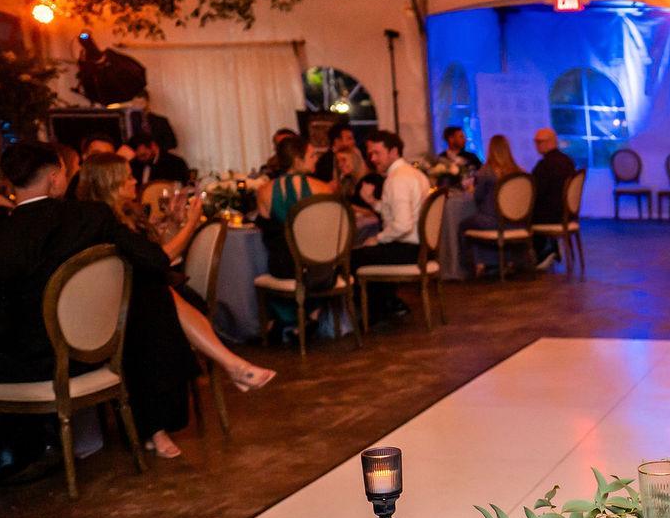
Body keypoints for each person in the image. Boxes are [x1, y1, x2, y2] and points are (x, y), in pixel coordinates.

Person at [0, 144, 189, 479]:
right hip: (97, 353)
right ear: (54, 178)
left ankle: (0, 459)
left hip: (35, 363)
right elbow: (154, 260)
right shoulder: (92, 216)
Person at [76, 155, 273, 443]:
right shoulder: (102, 220)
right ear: (111, 184)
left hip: (146, 298)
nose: (134, 181)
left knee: (162, 297)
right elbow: (160, 258)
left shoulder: (126, 213)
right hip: (118, 310)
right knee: (162, 299)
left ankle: (229, 371)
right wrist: (190, 224)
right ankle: (232, 367)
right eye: (127, 177)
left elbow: (151, 254)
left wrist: (172, 223)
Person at [352, 135, 431, 320]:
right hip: (422, 248)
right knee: (367, 252)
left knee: (352, 258)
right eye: (370, 154)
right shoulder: (414, 173)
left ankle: (372, 315)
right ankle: (389, 304)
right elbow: (398, 212)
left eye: (377, 153)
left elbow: (402, 225)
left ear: (394, 151)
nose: (373, 159)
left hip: (408, 250)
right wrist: (372, 202)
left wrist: (378, 238)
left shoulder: (397, 179)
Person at [255, 135, 333, 280]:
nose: (317, 159)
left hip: (282, 267)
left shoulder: (263, 191)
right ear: (297, 161)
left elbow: (267, 234)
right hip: (318, 268)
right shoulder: (323, 189)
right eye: (312, 155)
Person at [528, 127, 579, 249]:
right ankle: (549, 250)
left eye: (539, 142)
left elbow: (534, 192)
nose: (536, 145)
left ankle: (537, 254)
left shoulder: (545, 165)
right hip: (567, 214)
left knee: (520, 218)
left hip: (552, 216)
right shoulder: (568, 161)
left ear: (550, 142)